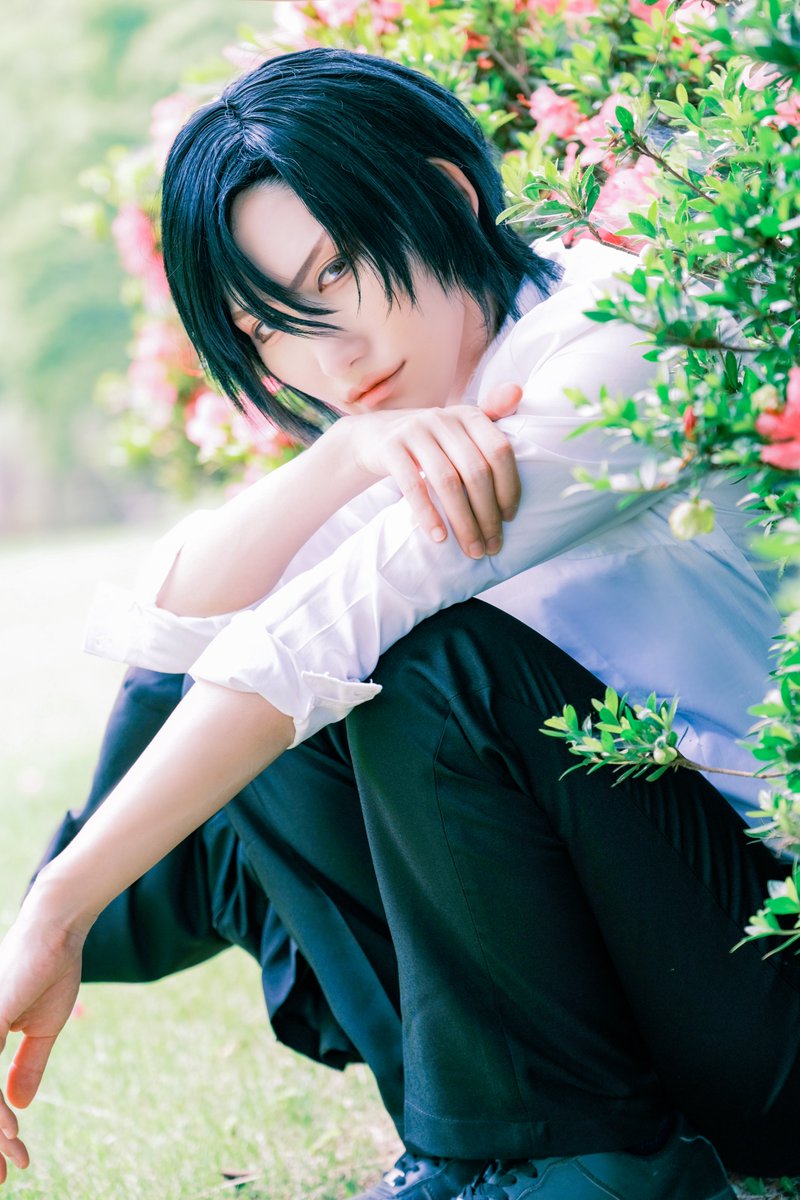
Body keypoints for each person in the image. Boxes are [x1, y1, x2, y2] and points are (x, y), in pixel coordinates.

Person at [0, 46, 796, 1200]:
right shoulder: (420, 394)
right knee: (243, 694)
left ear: (444, 195)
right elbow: (174, 630)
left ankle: (566, 1163)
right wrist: (342, 457)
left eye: (336, 273)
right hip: (665, 972)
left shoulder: (616, 344)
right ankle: (472, 1153)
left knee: (428, 669)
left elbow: (315, 633)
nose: (329, 355)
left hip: (771, 985)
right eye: (269, 327)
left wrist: (60, 907)